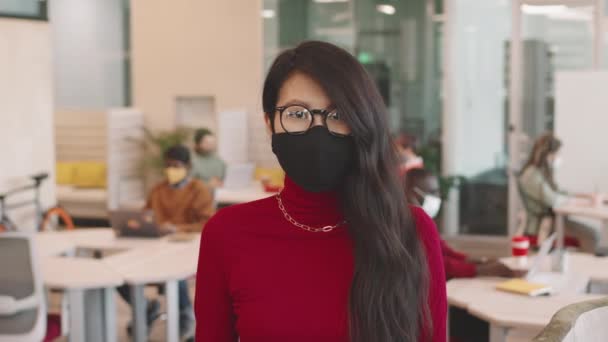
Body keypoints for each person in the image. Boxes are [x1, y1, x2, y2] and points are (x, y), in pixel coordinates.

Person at [195, 41, 447, 342]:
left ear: (361, 124)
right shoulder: (226, 234)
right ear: (269, 124)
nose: (317, 131)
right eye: (297, 114)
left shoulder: (410, 231)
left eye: (337, 114)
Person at [118, 145, 215, 340]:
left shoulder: (199, 190)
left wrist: (178, 228)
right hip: (155, 246)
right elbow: (144, 216)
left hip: (184, 247)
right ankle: (144, 306)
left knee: (174, 270)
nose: (171, 170)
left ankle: (185, 315)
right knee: (117, 270)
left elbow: (207, 222)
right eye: (168, 165)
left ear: (187, 166)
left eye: (176, 165)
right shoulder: (158, 189)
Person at [404, 168, 524, 280]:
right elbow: (438, 264)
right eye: (432, 192)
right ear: (412, 194)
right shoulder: (405, 226)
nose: (438, 197)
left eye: (438, 192)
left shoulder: (424, 222)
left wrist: (481, 261)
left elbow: (444, 251)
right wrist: (481, 270)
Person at [519, 133, 600, 253]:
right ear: (547, 155)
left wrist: (585, 196)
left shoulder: (541, 172)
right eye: (557, 154)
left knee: (593, 234)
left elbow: (558, 192)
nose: (559, 157)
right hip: (541, 227)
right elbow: (553, 199)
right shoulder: (531, 175)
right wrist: (582, 202)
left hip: (552, 222)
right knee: (591, 236)